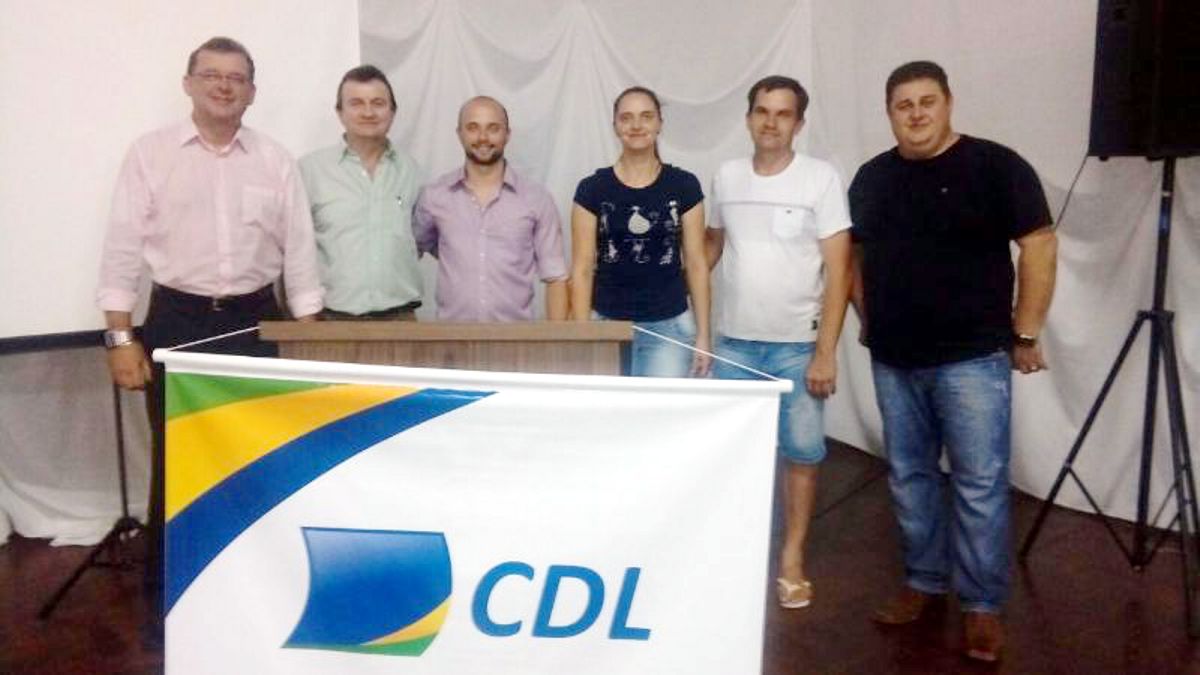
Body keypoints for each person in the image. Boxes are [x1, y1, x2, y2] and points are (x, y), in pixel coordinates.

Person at [95, 36, 323, 642]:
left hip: (256, 323)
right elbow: (121, 251)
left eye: (236, 78)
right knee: (177, 460)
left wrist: (306, 338)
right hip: (177, 322)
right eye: (212, 75)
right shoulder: (149, 155)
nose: (224, 86)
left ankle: (259, 589)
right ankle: (168, 602)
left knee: (261, 456)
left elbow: (300, 253)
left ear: (252, 91)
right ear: (189, 84)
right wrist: (120, 339)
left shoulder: (274, 160)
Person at [848, 60, 1057, 663]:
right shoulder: (872, 178)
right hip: (895, 358)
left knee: (979, 483)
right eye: (903, 105)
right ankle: (924, 581)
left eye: (926, 101)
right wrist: (868, 318)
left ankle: (982, 605)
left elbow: (1039, 244)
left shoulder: (996, 166)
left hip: (973, 359)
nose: (915, 114)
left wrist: (1026, 331)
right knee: (909, 476)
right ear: (889, 113)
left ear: (948, 103)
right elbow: (852, 257)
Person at [706, 75, 852, 610]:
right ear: (748, 118)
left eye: (783, 113)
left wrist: (825, 352)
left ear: (799, 123)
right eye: (762, 111)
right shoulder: (726, 176)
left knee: (801, 455)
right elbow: (710, 249)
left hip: (797, 348)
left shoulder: (820, 179)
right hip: (734, 345)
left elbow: (840, 272)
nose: (771, 122)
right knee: (732, 455)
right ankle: (735, 551)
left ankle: (791, 560)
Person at [569, 86, 711, 377]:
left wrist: (704, 336)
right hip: (605, 324)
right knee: (605, 407)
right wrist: (582, 336)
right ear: (615, 125)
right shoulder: (592, 189)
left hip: (669, 327)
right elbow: (582, 268)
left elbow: (697, 263)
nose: (636, 125)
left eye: (646, 116)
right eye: (627, 117)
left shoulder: (684, 186)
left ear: (659, 123)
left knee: (660, 408)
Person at [413, 96, 567, 321]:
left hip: (516, 338)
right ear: (459, 133)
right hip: (451, 338)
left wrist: (557, 339)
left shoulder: (536, 199)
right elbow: (411, 251)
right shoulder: (435, 196)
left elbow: (555, 277)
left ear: (507, 134)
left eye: (493, 128)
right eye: (473, 128)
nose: (483, 137)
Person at [300, 65, 424, 320]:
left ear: (392, 111)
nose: (368, 112)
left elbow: (421, 240)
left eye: (378, 103)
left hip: (401, 320)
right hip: (332, 321)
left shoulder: (411, 171)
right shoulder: (309, 171)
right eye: (356, 103)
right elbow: (294, 251)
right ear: (340, 112)